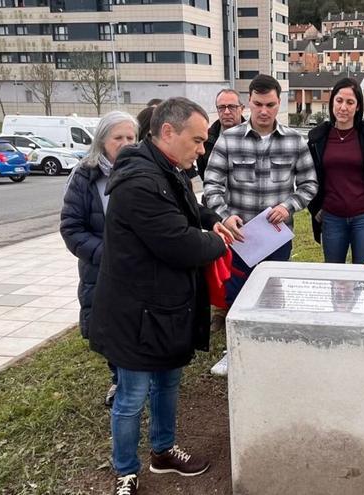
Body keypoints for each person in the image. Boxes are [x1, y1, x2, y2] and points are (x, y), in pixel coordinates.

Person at [88, 97, 234, 495]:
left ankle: (163, 450)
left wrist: (217, 221)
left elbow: (191, 211)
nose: (202, 149)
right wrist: (222, 244)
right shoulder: (140, 181)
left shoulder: (169, 169)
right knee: (132, 396)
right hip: (136, 313)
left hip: (166, 307)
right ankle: (125, 471)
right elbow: (180, 244)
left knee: (169, 382)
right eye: (198, 140)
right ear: (167, 132)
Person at [204, 74, 318, 307]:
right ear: (249, 104)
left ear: (279, 104)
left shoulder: (295, 141)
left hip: (276, 237)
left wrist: (288, 207)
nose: (263, 111)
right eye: (258, 104)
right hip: (239, 236)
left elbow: (309, 184)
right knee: (237, 296)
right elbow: (212, 184)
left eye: (270, 105)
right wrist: (225, 217)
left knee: (274, 295)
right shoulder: (228, 140)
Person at [59, 110, 138, 408]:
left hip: (139, 269)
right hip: (102, 270)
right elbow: (71, 227)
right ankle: (118, 380)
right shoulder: (85, 175)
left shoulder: (143, 171)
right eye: (118, 137)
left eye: (131, 137)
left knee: (137, 326)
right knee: (109, 327)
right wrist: (108, 255)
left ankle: (139, 380)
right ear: (102, 140)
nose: (126, 143)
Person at [306, 77, 364, 264]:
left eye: (350, 102)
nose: (343, 107)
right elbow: (309, 176)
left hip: (363, 218)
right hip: (332, 218)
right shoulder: (319, 138)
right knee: (334, 274)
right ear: (332, 103)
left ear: (358, 106)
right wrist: (315, 208)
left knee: (363, 274)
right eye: (339, 101)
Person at [195, 89, 245, 181]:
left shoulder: (255, 137)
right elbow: (204, 174)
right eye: (221, 107)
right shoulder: (206, 139)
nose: (226, 112)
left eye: (231, 107)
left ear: (242, 109)